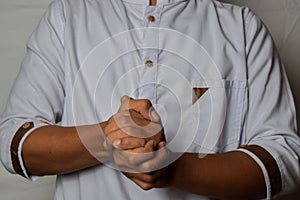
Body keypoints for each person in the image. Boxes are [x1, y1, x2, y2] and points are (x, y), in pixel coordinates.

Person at [0, 0, 299, 199]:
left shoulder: (243, 28)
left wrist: (172, 169)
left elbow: (284, 157)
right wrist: (107, 137)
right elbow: (13, 142)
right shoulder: (68, 15)